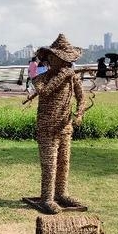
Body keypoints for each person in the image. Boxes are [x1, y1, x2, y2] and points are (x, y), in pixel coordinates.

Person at [31, 34, 86, 214]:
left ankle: (61, 193)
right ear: (50, 58)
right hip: (47, 128)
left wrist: (79, 112)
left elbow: (81, 97)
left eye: (66, 61)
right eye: (59, 60)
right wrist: (62, 75)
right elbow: (45, 92)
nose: (64, 64)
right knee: (50, 164)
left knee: (64, 162)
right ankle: (47, 198)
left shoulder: (71, 77)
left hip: (65, 126)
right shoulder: (40, 78)